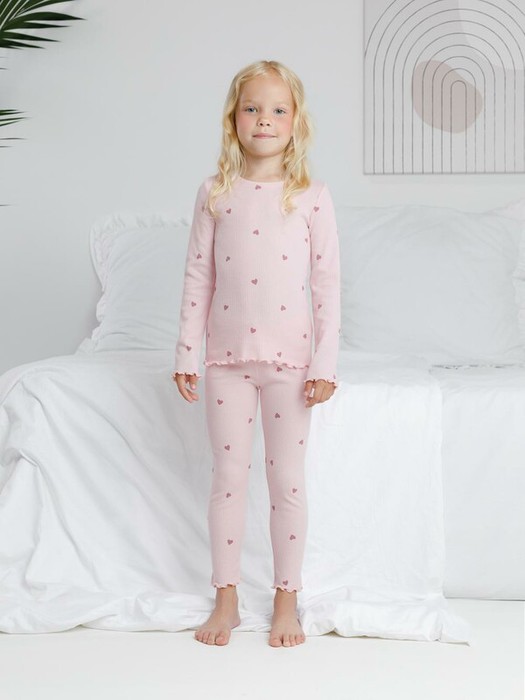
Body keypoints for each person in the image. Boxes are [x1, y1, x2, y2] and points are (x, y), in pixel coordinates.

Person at [172, 59, 341, 648]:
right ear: (233, 119)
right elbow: (199, 277)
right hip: (226, 363)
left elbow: (327, 286)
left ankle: (285, 601)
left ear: (295, 122)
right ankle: (226, 601)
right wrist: (186, 353)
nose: (264, 119)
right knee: (228, 480)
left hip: (291, 366)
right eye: (252, 108)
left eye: (277, 110)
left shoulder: (311, 197)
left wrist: (324, 363)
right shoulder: (215, 193)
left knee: (286, 483)